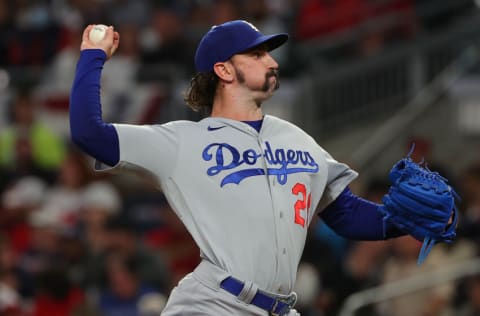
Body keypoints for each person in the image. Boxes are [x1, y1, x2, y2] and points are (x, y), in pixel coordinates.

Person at [70, 20, 409, 316]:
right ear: (225, 70)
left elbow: (345, 214)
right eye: (258, 54)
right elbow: (89, 133)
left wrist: (409, 221)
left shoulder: (297, 139)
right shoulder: (180, 142)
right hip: (213, 304)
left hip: (279, 307)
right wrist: (92, 56)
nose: (272, 61)